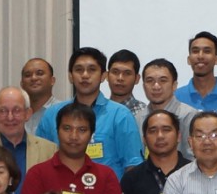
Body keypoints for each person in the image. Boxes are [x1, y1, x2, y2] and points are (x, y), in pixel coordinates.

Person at [35, 47, 143, 175]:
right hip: (59, 192)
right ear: (70, 76)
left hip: (105, 193)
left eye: (92, 70)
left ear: (103, 76)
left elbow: (133, 166)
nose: (85, 75)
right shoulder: (52, 114)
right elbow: (40, 160)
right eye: (79, 70)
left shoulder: (120, 115)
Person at [0, 86, 55, 186]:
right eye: (3, 111)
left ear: (28, 114)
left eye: (16, 110)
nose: (10, 117)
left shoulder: (49, 150)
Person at [133, 58, 198, 160]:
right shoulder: (138, 118)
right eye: (150, 81)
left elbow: (193, 159)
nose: (156, 86)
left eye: (163, 80)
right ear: (144, 86)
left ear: (174, 85)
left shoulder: (189, 116)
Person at [175, 31, 217, 113]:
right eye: (195, 51)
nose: (200, 56)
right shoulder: (176, 98)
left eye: (207, 51)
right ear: (189, 60)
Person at [21, 58, 58, 133]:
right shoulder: (15, 115)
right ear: (22, 84)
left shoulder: (64, 111)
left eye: (40, 73)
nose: (34, 78)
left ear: (52, 80)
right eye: (28, 75)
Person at [106, 49, 146, 116]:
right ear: (107, 76)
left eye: (127, 73)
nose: (120, 78)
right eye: (115, 72)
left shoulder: (144, 114)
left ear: (137, 79)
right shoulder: (97, 111)